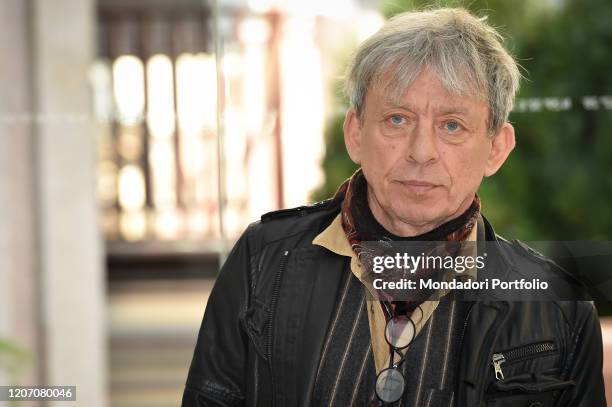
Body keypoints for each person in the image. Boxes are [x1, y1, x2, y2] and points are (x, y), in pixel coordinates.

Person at [181, 7, 606, 407]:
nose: (421, 152)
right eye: (397, 119)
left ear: (496, 149)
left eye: (452, 125)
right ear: (355, 133)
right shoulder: (264, 260)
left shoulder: (558, 308)